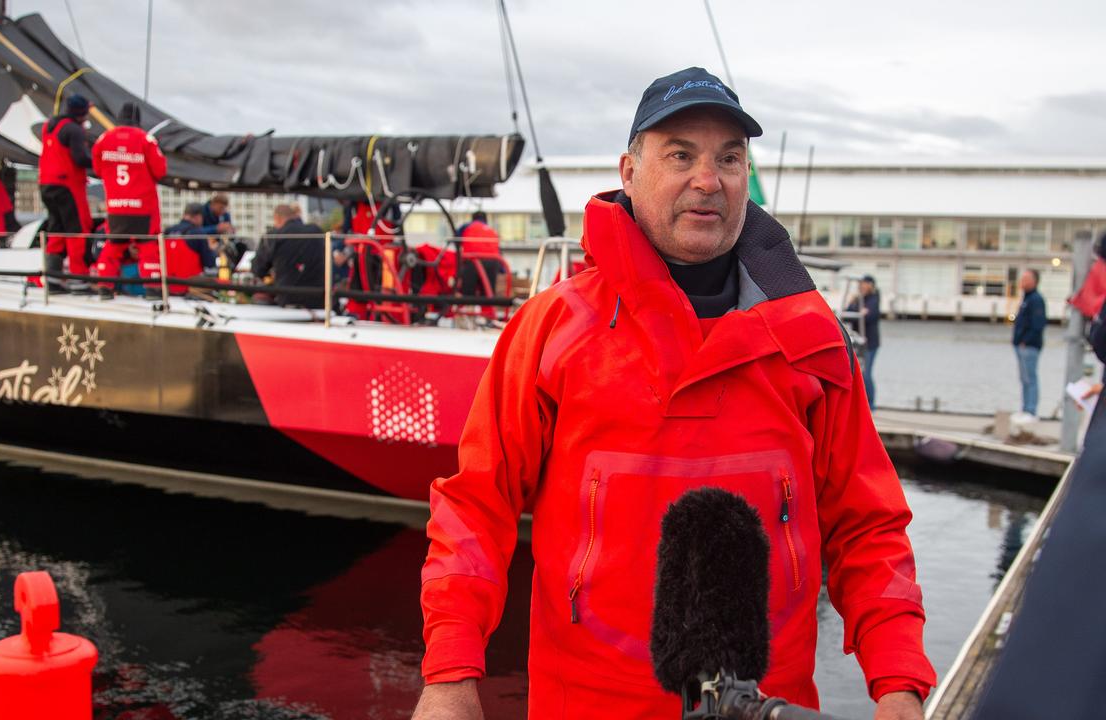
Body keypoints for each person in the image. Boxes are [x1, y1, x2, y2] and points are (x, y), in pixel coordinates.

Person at [414, 67, 933, 720]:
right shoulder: (552, 330)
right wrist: (450, 673)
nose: (707, 180)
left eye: (729, 158)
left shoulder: (812, 339)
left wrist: (899, 683)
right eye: (681, 155)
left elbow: (868, 526)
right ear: (628, 172)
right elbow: (475, 507)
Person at [91, 102, 167, 297]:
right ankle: (153, 288)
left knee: (114, 245)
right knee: (148, 246)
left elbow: (98, 169)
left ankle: (104, 286)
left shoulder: (103, 139)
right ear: (137, 120)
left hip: (116, 206)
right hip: (143, 207)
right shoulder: (146, 139)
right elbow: (160, 171)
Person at [39, 94, 95, 290]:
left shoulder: (49, 126)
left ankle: (52, 280)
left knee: (56, 230)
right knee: (77, 231)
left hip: (46, 185)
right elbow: (80, 159)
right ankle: (79, 279)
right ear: (82, 112)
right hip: (67, 186)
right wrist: (100, 160)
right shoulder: (74, 130)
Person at [250, 204, 326, 308]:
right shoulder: (316, 231)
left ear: (277, 218)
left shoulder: (273, 236)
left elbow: (258, 269)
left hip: (287, 299)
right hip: (320, 299)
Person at [1012, 268, 1046, 418]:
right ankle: (1025, 408)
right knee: (1024, 378)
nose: (1022, 281)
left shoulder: (1036, 299)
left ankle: (1031, 410)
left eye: (1026, 278)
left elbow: (1038, 324)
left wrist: (1025, 341)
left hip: (1029, 346)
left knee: (1030, 378)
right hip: (1021, 345)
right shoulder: (1026, 299)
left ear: (1034, 281)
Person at [846, 275, 882, 410]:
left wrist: (861, 313)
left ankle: (871, 405)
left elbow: (869, 317)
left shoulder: (874, 299)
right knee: (856, 373)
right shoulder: (857, 299)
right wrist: (858, 311)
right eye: (861, 284)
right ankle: (859, 404)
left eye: (865, 284)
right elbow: (849, 313)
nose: (862, 286)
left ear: (871, 285)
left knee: (866, 374)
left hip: (870, 343)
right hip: (858, 342)